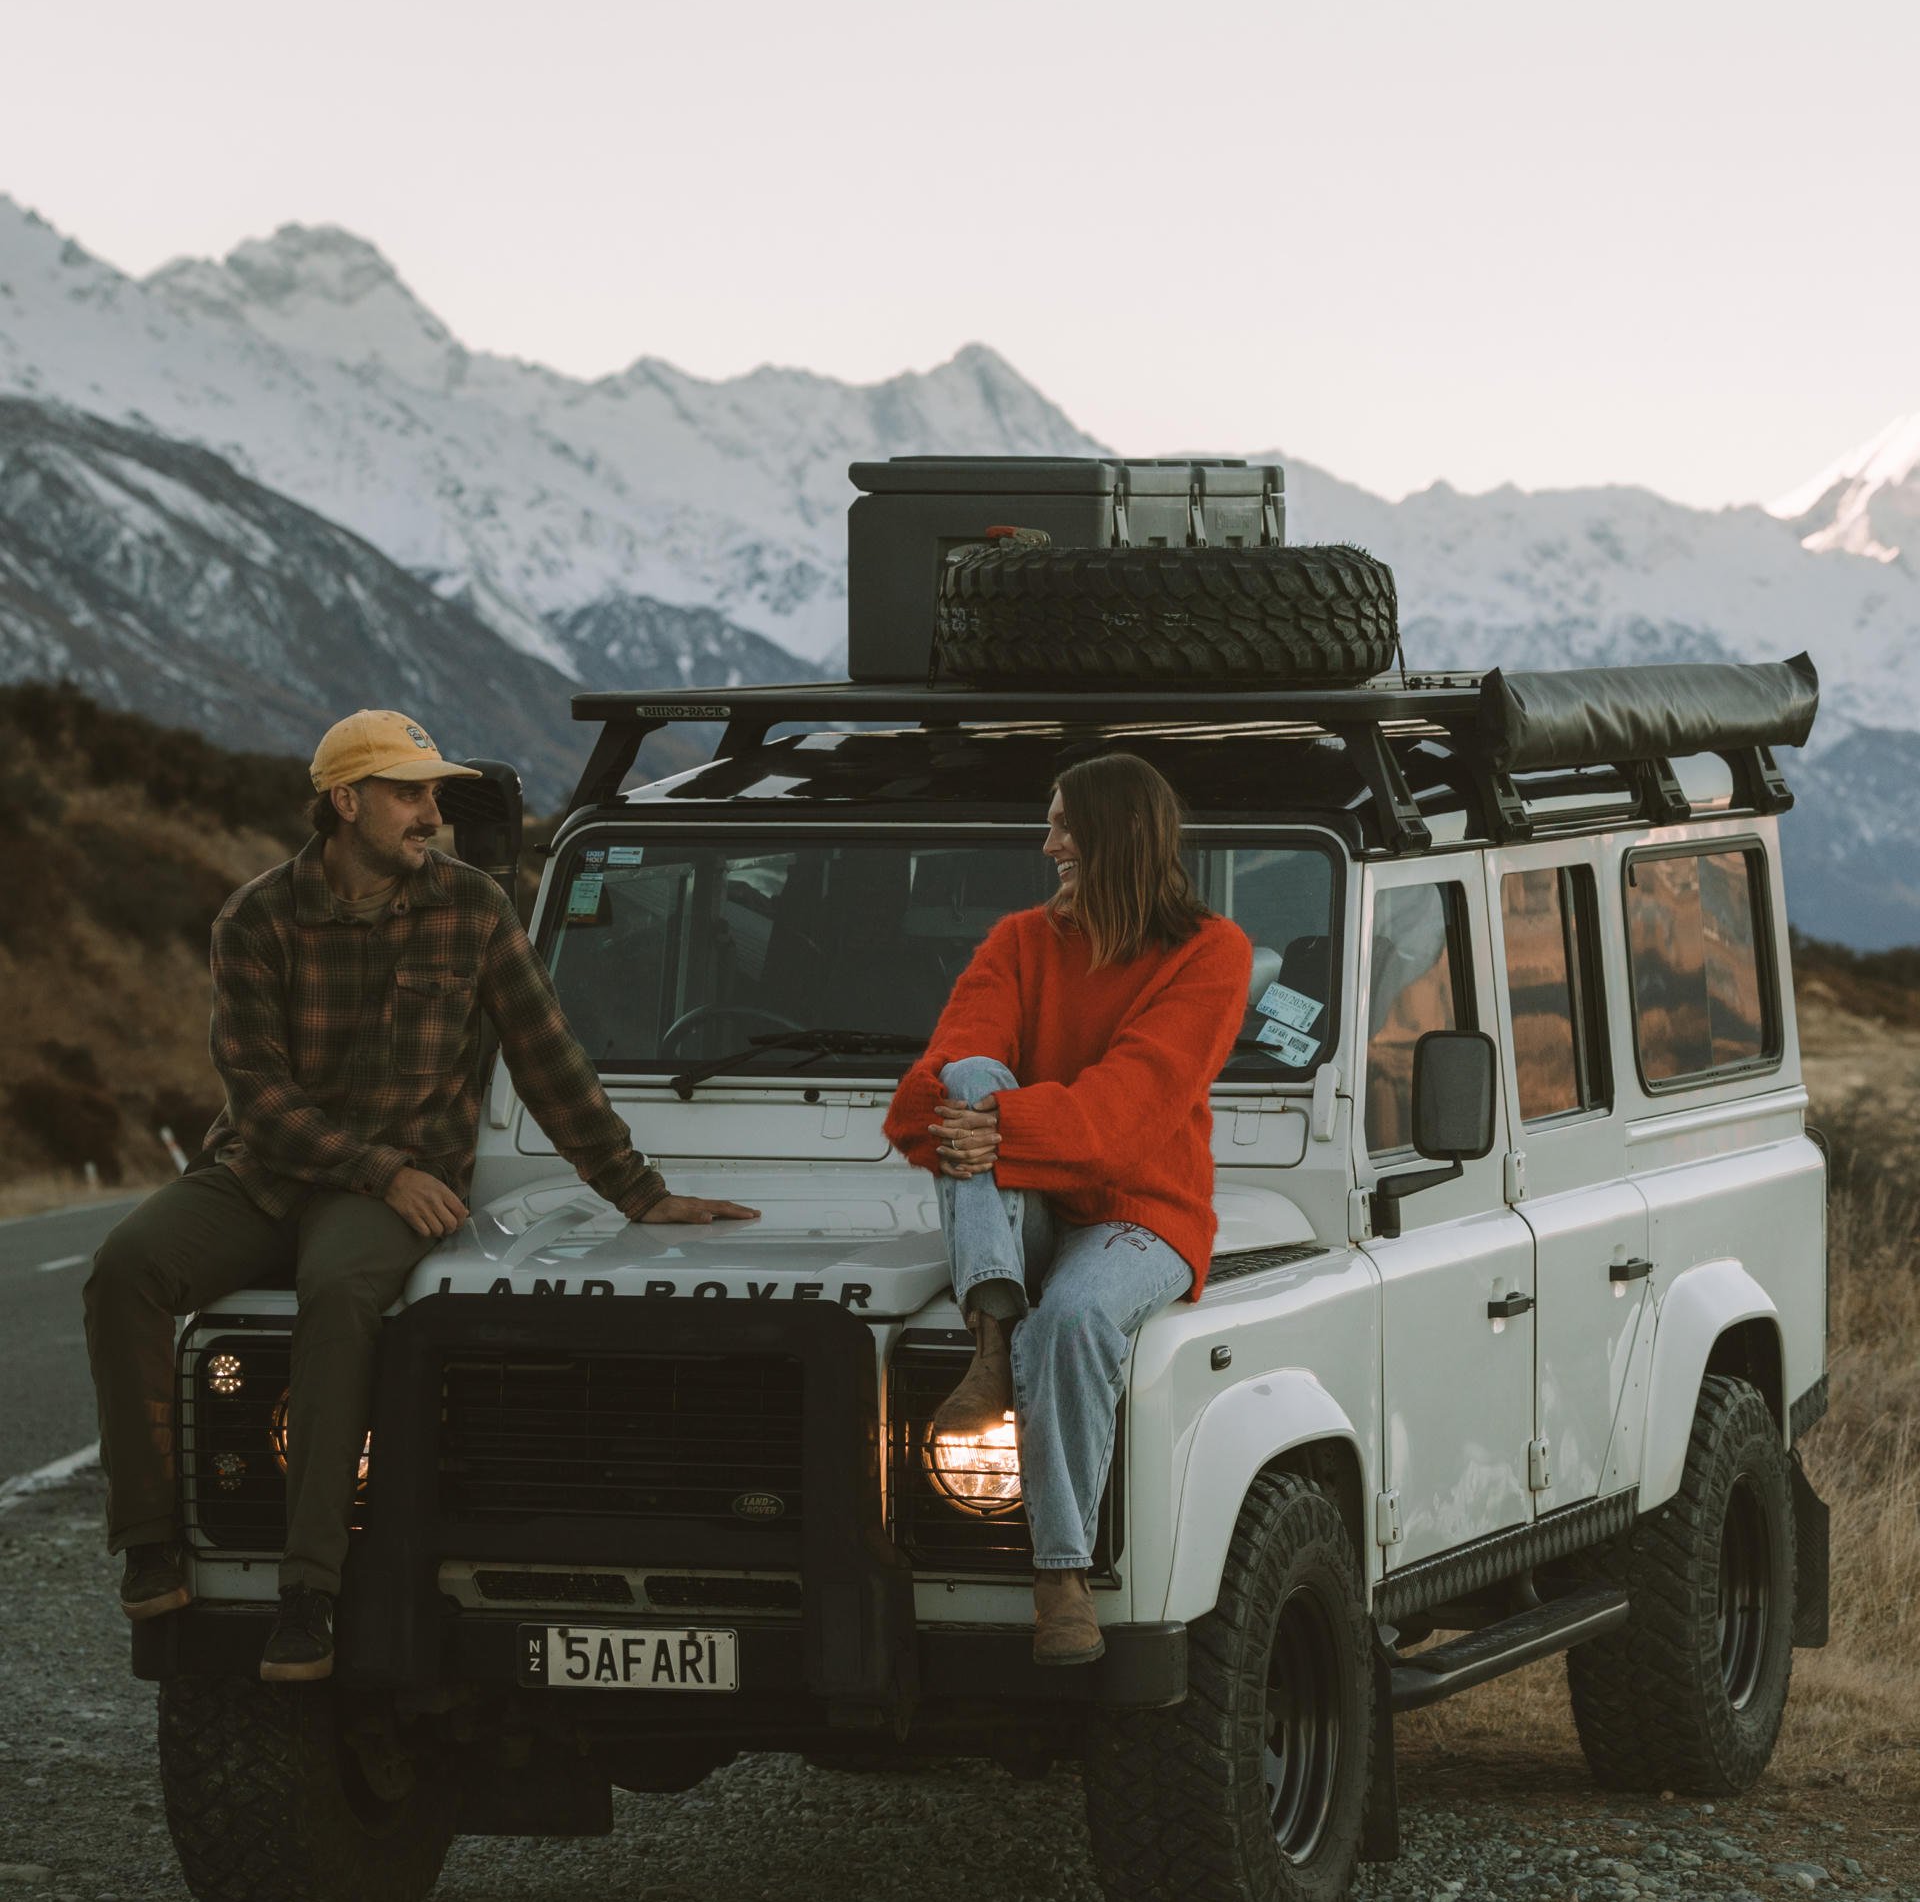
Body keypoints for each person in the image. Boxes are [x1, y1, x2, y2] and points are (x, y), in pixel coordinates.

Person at [86, 709, 758, 1684]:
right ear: (345, 803)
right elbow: (260, 1096)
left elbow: (547, 1059)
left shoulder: (474, 908)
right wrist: (378, 1169)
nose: (431, 812)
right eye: (408, 793)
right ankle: (149, 1542)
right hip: (274, 1170)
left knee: (341, 1296)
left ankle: (309, 1588)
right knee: (126, 1269)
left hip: (388, 1193)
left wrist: (639, 1194)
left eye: (434, 792)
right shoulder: (256, 920)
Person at [885, 752, 1250, 1665]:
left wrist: (995, 1129)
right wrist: (984, 1117)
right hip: (1032, 1202)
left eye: (1062, 827)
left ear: (1117, 836)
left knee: (1080, 1316)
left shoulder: (1212, 953)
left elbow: (1130, 1111)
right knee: (967, 1076)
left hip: (1147, 1211)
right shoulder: (1018, 941)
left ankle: (1060, 1576)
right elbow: (920, 1100)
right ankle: (993, 1337)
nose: (1046, 844)